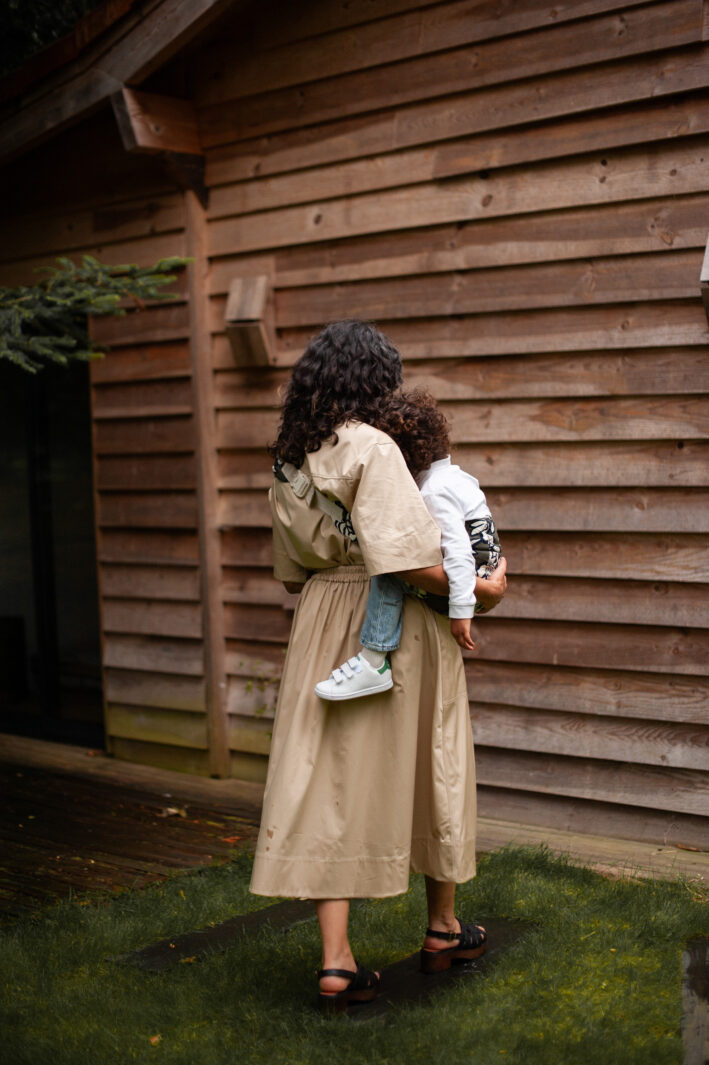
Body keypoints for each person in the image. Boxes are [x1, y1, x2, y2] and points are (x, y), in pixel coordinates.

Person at [248, 320, 507, 1012]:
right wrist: (482, 589)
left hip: (320, 619)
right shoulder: (372, 446)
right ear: (372, 380)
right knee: (433, 760)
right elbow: (408, 560)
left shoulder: (287, 457)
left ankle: (336, 961)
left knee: (331, 778)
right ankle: (443, 929)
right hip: (390, 628)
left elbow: (290, 571)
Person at [313, 389, 501, 701]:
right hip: (484, 571)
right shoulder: (459, 478)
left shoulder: (432, 493)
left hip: (462, 585)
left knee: (389, 564)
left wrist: (461, 611)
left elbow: (457, 553)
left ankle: (374, 659)